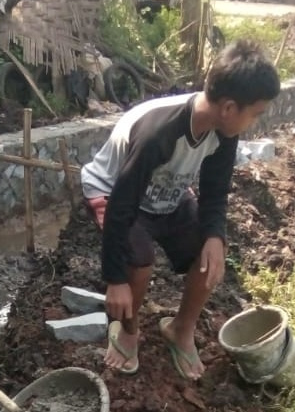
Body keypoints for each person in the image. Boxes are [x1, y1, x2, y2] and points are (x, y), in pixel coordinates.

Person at [80, 40, 281, 380]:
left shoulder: (222, 131)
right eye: (256, 113)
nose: (254, 122)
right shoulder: (159, 132)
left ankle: (180, 329)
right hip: (114, 191)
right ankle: (128, 331)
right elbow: (121, 206)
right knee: (139, 260)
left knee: (209, 257)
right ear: (230, 108)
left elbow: (215, 192)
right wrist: (115, 279)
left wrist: (215, 236)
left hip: (166, 193)